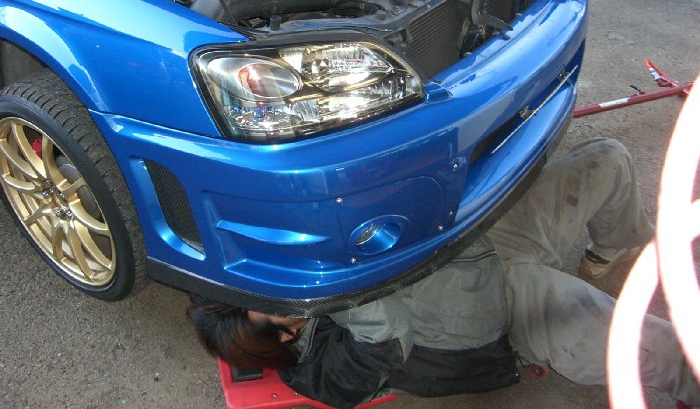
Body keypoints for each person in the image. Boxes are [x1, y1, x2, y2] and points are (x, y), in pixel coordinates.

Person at [188, 138, 700, 408]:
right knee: (664, 352)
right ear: (283, 336)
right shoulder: (320, 373)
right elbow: (386, 335)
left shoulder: (278, 267)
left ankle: (613, 248)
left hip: (481, 238)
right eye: (277, 310)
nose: (282, 295)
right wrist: (330, 282)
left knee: (609, 157)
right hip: (503, 311)